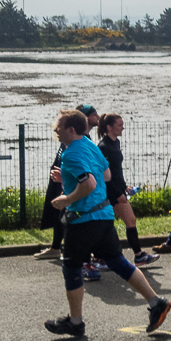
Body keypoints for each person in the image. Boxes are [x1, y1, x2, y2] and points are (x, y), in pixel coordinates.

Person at [43, 109, 171, 337]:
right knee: (118, 262)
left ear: (71, 130)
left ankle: (75, 322)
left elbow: (91, 183)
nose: (55, 130)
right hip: (103, 215)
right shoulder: (89, 144)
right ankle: (156, 302)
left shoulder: (70, 153)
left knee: (71, 267)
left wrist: (66, 198)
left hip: (84, 220)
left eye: (59, 126)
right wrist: (68, 178)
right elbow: (106, 175)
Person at [33, 102, 98, 261]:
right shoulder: (75, 138)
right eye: (94, 114)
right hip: (66, 182)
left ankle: (87, 255)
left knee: (71, 216)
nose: (98, 117)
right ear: (86, 117)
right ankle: (61, 249)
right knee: (63, 214)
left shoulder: (82, 139)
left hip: (70, 183)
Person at [96, 113, 159, 266]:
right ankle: (136, 256)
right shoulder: (103, 147)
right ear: (109, 127)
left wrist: (125, 187)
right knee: (127, 221)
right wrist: (118, 194)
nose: (123, 127)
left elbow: (117, 171)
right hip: (110, 192)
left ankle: (107, 257)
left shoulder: (115, 143)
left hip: (118, 189)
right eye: (119, 125)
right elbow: (105, 176)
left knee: (109, 224)